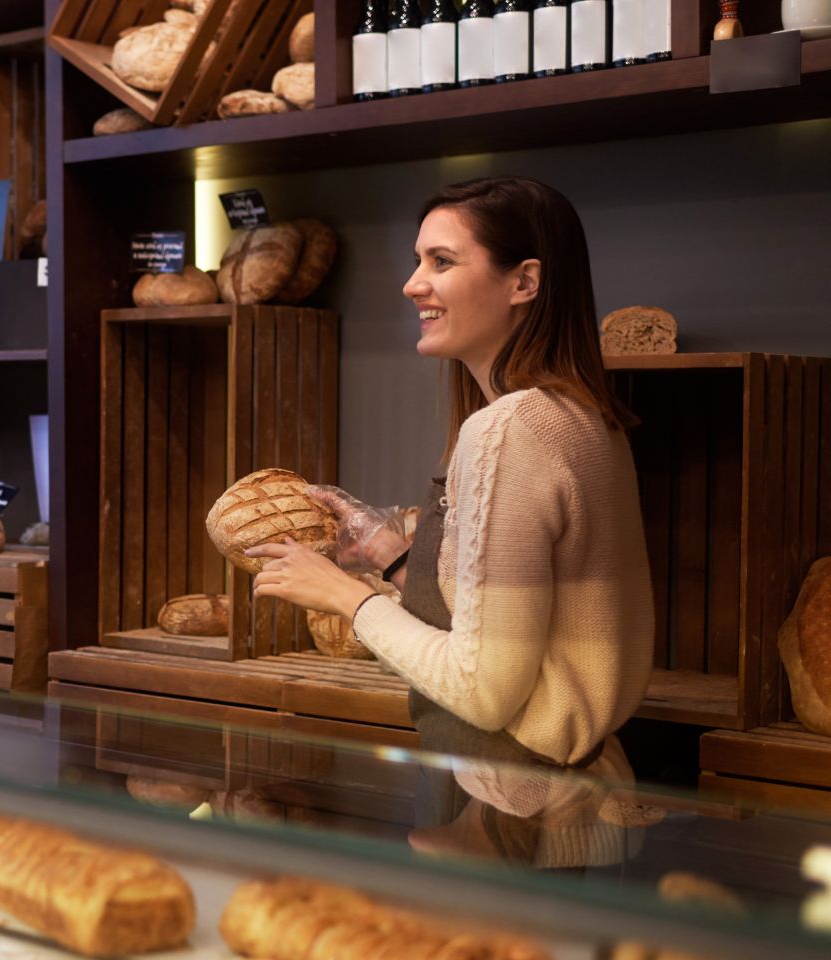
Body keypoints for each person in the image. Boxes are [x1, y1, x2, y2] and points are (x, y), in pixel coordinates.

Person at [247, 176, 654, 789]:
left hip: (514, 799)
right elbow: (517, 619)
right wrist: (390, 557)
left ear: (524, 282)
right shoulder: (581, 417)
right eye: (418, 261)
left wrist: (342, 596)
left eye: (441, 261)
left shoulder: (508, 430)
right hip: (573, 786)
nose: (413, 283)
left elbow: (483, 691)